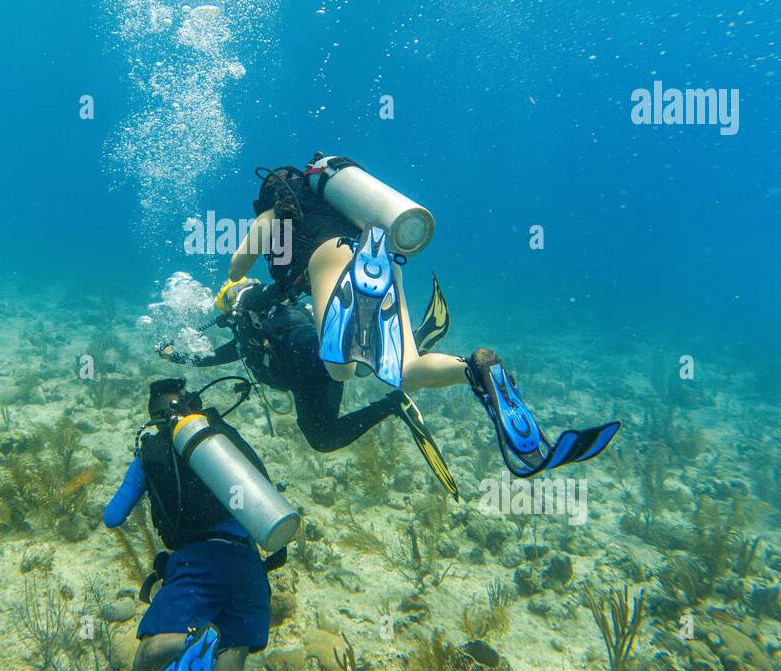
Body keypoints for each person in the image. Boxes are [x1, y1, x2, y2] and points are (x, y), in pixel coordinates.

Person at [226, 154, 620, 477]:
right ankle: (476, 370)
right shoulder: (342, 203)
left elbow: (237, 267)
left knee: (339, 369)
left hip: (329, 258)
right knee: (407, 369)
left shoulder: (276, 212)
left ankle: (357, 311)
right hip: (379, 253)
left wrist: (238, 275)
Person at [158, 275, 460, 496]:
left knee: (345, 358)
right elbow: (211, 357)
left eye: (228, 299)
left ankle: (387, 333)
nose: (227, 307)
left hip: (305, 347)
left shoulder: (257, 301)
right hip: (310, 382)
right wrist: (178, 357)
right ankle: (396, 400)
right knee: (322, 438)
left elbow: (281, 289)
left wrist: (264, 292)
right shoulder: (244, 340)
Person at [105, 377, 279, 671]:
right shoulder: (221, 441)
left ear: (154, 416)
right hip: (247, 564)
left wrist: (145, 474)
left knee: (146, 656)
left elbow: (113, 516)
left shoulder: (151, 452)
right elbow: (261, 484)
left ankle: (196, 639)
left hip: (198, 564)